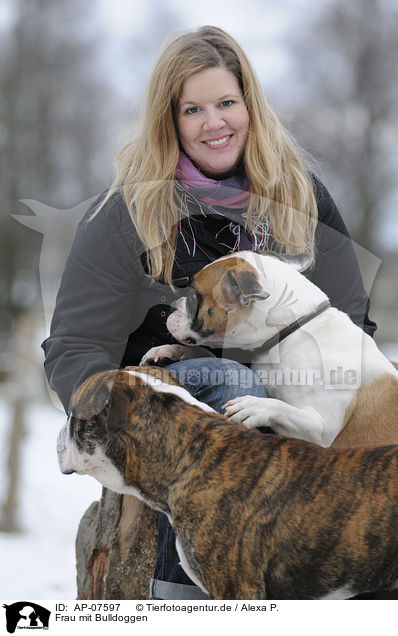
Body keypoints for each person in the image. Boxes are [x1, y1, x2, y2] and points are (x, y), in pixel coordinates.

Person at [42, 25, 376, 600]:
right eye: (192, 109)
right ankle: (186, 590)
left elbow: (349, 329)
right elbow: (73, 347)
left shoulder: (302, 199)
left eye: (226, 103)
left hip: (289, 405)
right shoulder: (124, 212)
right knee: (230, 380)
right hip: (161, 405)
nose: (213, 123)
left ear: (250, 106)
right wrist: (105, 415)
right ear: (168, 120)